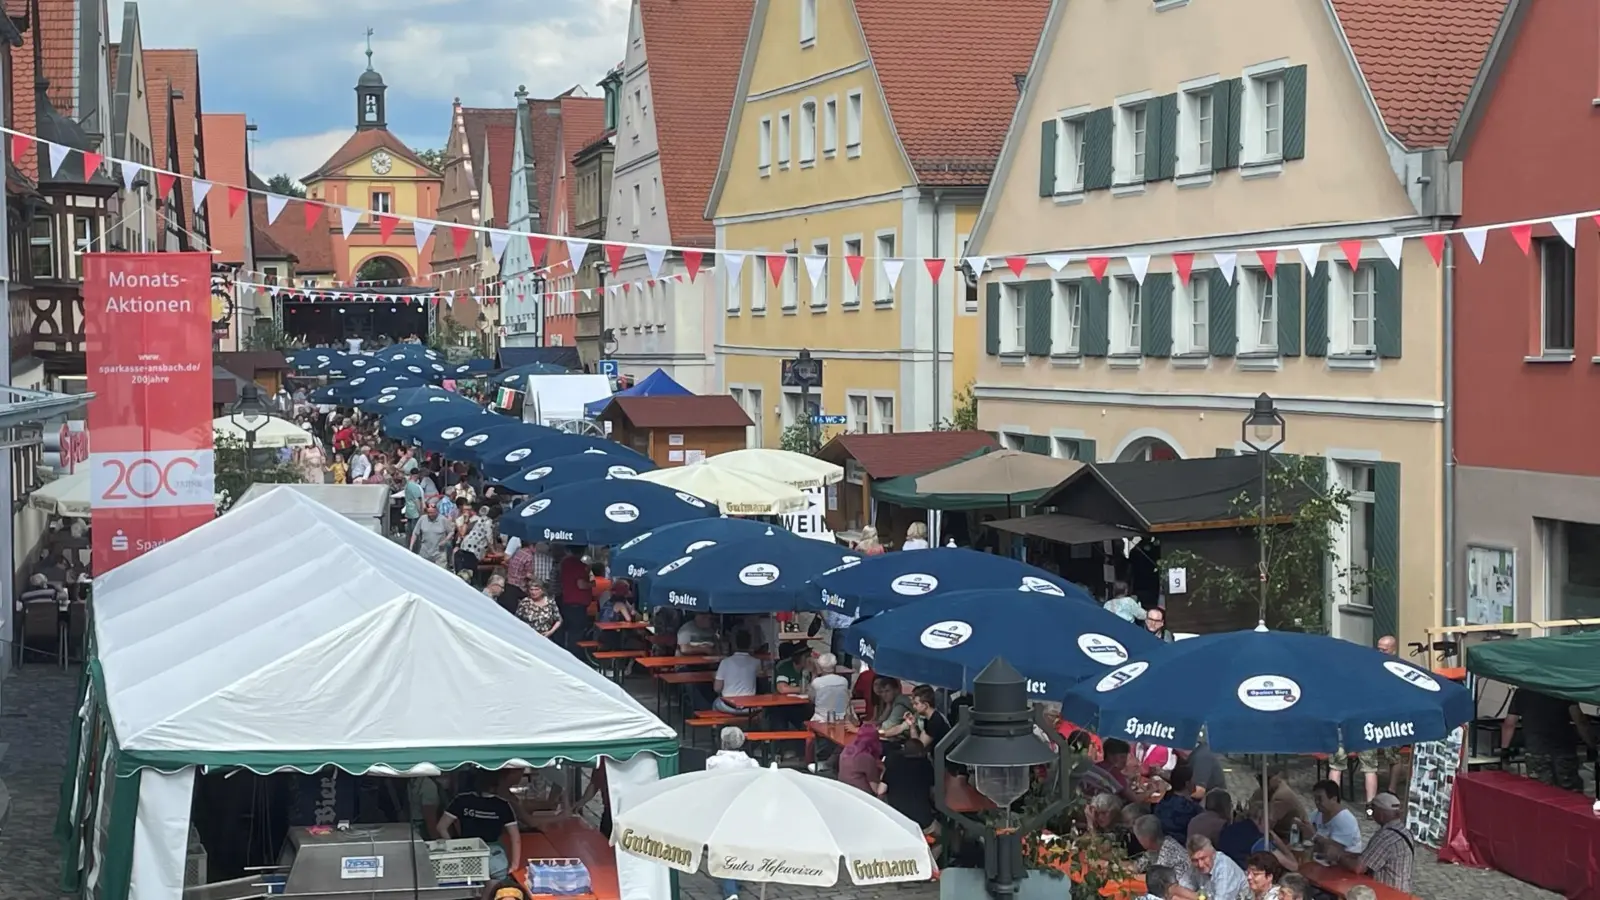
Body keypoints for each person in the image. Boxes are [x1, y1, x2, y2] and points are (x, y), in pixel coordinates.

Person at [1312, 792, 1414, 891]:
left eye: (1373, 809)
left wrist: (1337, 856)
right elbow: (1369, 857)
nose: (1371, 813)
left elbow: (1359, 868)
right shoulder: (1405, 831)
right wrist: (1345, 854)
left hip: (1387, 891)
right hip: (1402, 889)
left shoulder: (1385, 837)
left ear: (1381, 813)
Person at [1501, 685, 1595, 792]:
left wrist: (1504, 751)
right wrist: (1591, 744)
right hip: (1563, 752)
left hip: (1536, 752)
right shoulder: (1563, 690)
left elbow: (1509, 724)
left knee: (1542, 793)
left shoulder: (1522, 692)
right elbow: (1580, 721)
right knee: (1570, 794)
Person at [436, 768, 520, 880]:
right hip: (494, 857)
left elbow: (441, 827)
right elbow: (515, 837)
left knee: (470, 887)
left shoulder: (461, 800)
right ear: (497, 784)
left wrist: (453, 847)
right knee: (494, 888)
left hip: (468, 854)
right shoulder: (503, 805)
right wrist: (514, 864)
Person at [706, 728, 758, 900]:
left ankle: (731, 889)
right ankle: (737, 879)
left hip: (721, 809)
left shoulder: (713, 762)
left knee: (724, 848)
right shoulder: (751, 763)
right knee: (739, 845)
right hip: (744, 809)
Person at [880, 737, 937, 835]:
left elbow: (880, 791)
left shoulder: (894, 765)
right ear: (921, 753)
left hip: (897, 820)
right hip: (923, 821)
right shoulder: (926, 766)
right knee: (942, 832)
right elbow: (934, 793)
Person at [1303, 779, 1363, 853]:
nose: (1317, 802)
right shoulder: (1317, 814)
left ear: (1334, 799)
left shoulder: (1345, 820)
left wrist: (1313, 835)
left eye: (1320, 799)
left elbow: (1333, 851)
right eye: (1315, 799)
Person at [1183, 834, 1245, 900]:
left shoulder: (1224, 868)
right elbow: (1182, 887)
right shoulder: (1195, 866)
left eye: (1203, 858)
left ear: (1213, 854)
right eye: (1195, 860)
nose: (1200, 864)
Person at [557, 546, 594, 655]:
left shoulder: (564, 563)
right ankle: (575, 656)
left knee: (566, 630)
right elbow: (581, 584)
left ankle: (564, 652)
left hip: (566, 600)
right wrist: (591, 584)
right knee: (576, 632)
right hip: (578, 604)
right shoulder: (579, 566)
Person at [1133, 815, 1192, 882]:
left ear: (1146, 839)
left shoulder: (1168, 849)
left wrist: (1134, 876)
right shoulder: (1154, 848)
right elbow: (1139, 865)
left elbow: (1156, 878)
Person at [712, 632, 761, 713]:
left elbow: (717, 688)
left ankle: (717, 722)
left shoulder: (725, 662)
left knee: (715, 703)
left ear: (734, 644)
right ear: (750, 644)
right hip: (749, 707)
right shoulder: (756, 662)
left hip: (728, 706)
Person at [1155, 765, 1202, 840]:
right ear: (1187, 783)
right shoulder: (1194, 810)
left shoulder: (1162, 803)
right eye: (1194, 779)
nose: (1196, 782)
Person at [837, 724, 884, 795]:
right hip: (859, 795)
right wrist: (884, 772)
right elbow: (876, 789)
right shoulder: (867, 758)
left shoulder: (847, 749)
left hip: (842, 788)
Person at [808, 652, 853, 723]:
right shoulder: (844, 681)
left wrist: (814, 674)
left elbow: (811, 699)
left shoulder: (817, 682)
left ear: (820, 667)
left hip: (821, 719)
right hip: (841, 719)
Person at [410, 501, 453, 567]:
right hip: (424, 553)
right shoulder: (422, 519)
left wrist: (445, 540)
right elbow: (415, 533)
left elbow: (451, 532)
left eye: (432, 513)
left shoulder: (443, 520)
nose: (430, 515)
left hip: (439, 553)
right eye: (429, 513)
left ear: (437, 511)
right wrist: (411, 546)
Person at [909, 685, 951, 749]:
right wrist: (912, 724)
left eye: (916, 704)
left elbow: (918, 748)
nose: (914, 707)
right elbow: (918, 743)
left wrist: (912, 727)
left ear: (926, 705)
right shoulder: (930, 718)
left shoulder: (935, 721)